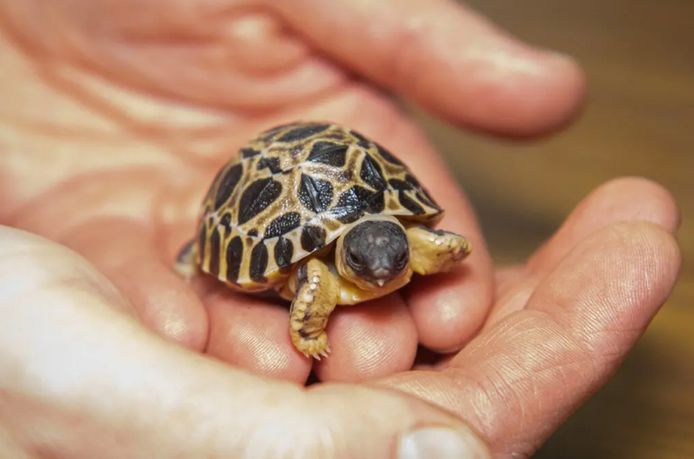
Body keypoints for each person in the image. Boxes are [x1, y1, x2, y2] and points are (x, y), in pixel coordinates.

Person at [0, 0, 681, 457]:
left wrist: (437, 252)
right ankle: (200, 253)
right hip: (257, 184)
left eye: (392, 261)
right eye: (371, 266)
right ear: (347, 257)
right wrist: (310, 326)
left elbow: (435, 247)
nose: (385, 275)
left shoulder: (395, 246)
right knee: (276, 300)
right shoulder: (323, 270)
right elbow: (316, 284)